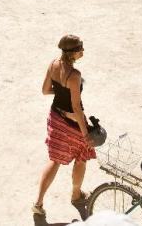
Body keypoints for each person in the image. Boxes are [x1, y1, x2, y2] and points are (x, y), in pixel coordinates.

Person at [33, 35, 95, 219]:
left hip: (55, 117)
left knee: (54, 160)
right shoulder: (74, 76)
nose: (82, 51)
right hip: (73, 122)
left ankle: (38, 203)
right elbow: (76, 107)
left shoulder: (53, 64)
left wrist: (60, 91)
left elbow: (45, 90)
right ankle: (76, 195)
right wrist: (86, 135)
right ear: (72, 53)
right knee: (82, 156)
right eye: (80, 49)